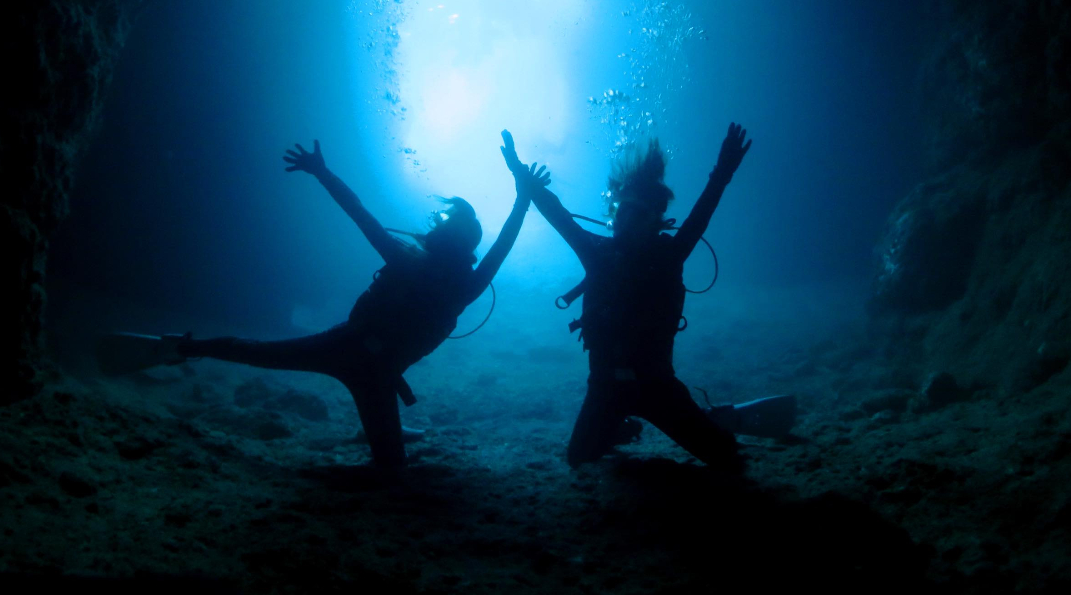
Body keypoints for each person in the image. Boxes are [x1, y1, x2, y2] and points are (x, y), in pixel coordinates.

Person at [143, 136, 546, 470]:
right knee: (390, 468)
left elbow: (360, 213)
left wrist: (322, 172)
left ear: (446, 238)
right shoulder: (467, 285)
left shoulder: (407, 260)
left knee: (258, 353)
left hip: (354, 356)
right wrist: (523, 196)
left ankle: (182, 347)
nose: (432, 224)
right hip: (371, 367)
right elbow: (504, 243)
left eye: (440, 222)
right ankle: (183, 347)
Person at [501, 125, 751, 472]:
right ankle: (618, 429)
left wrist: (722, 174)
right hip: (604, 387)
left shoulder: (668, 256)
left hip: (658, 386)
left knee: (728, 459)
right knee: (579, 459)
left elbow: (699, 218)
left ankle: (711, 421)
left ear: (656, 221)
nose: (625, 221)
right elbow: (560, 216)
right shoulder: (597, 252)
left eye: (638, 214)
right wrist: (521, 173)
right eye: (622, 211)